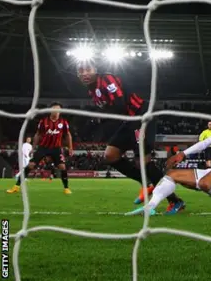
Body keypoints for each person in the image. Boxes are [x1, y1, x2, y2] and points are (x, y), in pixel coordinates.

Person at [76, 61, 185, 214]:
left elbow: (119, 104)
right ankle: (146, 183)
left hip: (141, 116)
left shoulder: (106, 80)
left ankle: (175, 201)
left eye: (88, 69)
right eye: (81, 71)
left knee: (143, 162)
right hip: (128, 121)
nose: (84, 73)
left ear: (96, 70)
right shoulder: (92, 91)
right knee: (110, 155)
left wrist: (101, 118)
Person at [125, 107, 211, 216]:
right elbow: (204, 143)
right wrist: (183, 154)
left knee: (206, 182)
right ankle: (150, 208)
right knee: (172, 174)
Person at [7, 103, 73, 194]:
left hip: (56, 148)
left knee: (62, 167)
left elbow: (68, 135)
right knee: (31, 165)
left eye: (59, 110)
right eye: (55, 109)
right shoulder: (44, 121)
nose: (57, 111)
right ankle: (16, 186)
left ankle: (66, 188)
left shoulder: (63, 122)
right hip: (43, 147)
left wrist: (70, 147)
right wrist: (33, 148)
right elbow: (38, 134)